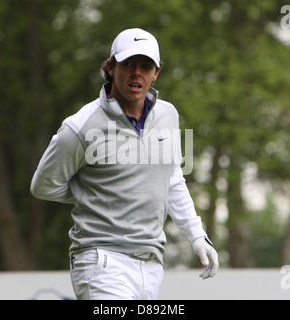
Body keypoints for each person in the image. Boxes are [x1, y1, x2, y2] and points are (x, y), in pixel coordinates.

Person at [30, 28, 218, 300]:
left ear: (157, 72)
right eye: (128, 64)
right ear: (110, 67)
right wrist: (95, 193)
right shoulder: (80, 127)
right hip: (100, 261)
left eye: (145, 66)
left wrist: (197, 235)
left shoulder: (168, 115)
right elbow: (44, 186)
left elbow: (172, 179)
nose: (136, 73)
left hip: (151, 263)